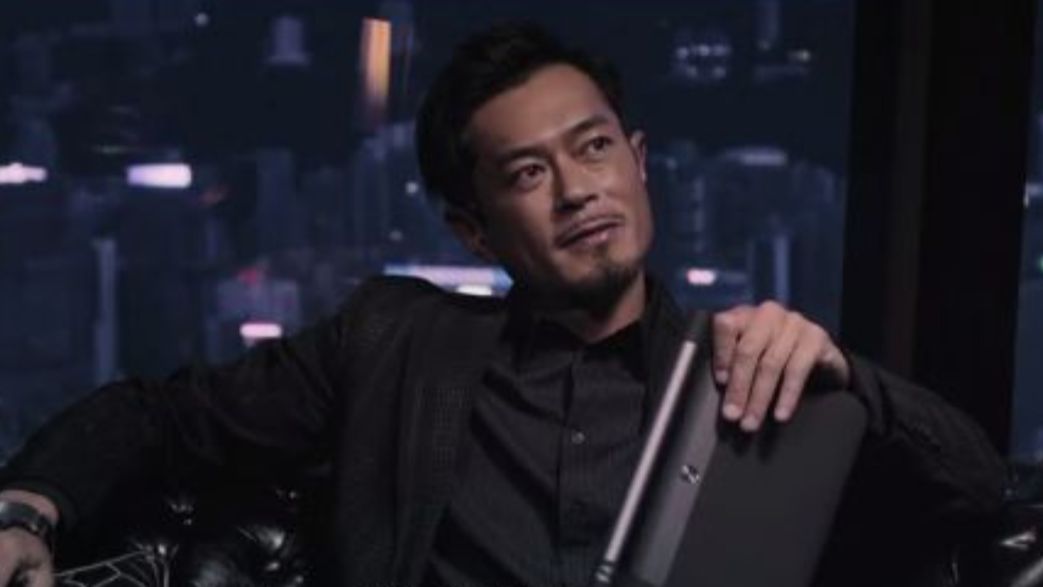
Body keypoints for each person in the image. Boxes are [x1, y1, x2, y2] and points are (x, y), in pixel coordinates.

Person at [0, 22, 1005, 587]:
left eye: (594, 147)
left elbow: (980, 491)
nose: (577, 191)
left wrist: (847, 376)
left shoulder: (743, 368)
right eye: (527, 172)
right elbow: (160, 414)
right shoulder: (393, 340)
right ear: (473, 231)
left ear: (638, 162)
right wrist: (23, 509)